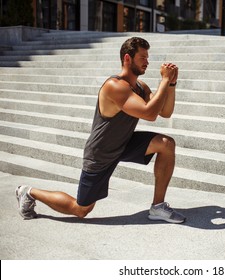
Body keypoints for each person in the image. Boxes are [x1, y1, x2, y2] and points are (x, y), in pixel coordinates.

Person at [15, 37, 186, 224]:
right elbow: (150, 113)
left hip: (124, 143)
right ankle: (29, 192)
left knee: (166, 144)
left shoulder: (140, 87)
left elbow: (165, 112)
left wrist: (171, 85)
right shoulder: (115, 86)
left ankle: (158, 206)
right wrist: (165, 79)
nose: (147, 61)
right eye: (142, 57)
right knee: (81, 209)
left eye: (147, 57)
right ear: (128, 58)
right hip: (101, 153)